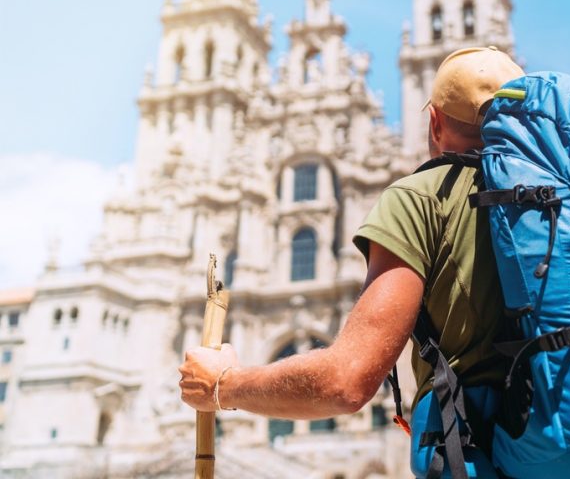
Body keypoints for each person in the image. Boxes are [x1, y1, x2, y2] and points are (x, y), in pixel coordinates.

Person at [179, 47, 523, 454]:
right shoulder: (562, 202)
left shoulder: (424, 197)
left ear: (433, 123)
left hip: (483, 454)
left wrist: (223, 384)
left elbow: (346, 381)